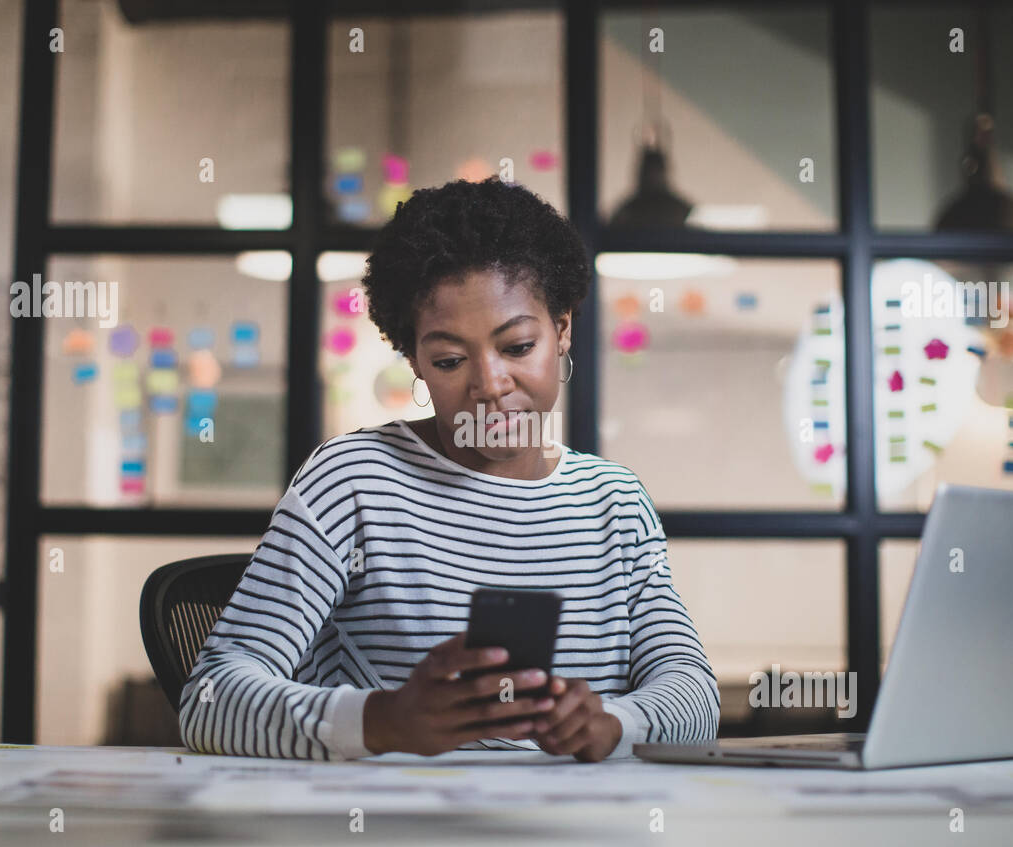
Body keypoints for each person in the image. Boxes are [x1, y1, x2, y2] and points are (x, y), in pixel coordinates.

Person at [178, 177, 720, 761]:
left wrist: (615, 724)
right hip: (398, 842)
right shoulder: (352, 483)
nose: (489, 385)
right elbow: (209, 701)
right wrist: (382, 722)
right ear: (413, 358)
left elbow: (694, 695)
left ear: (563, 330)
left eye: (517, 348)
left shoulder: (613, 502)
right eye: (449, 360)